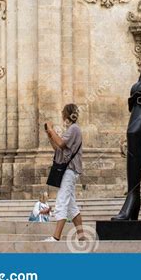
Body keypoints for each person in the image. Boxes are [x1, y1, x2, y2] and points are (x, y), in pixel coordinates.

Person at [43, 103, 85, 242]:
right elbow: (58, 148)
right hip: (70, 171)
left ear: (67, 114)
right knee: (72, 206)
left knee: (61, 202)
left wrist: (51, 128)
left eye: (63, 112)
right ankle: (82, 237)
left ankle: (56, 237)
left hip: (70, 171)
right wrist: (50, 135)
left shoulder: (74, 129)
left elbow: (61, 143)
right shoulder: (71, 129)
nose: (61, 115)